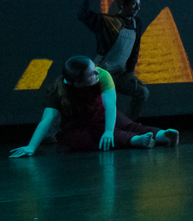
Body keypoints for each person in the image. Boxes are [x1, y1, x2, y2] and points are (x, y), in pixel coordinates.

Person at [9, 57, 177, 156]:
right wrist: (31, 147)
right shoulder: (57, 90)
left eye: (95, 69)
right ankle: (135, 141)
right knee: (92, 137)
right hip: (77, 126)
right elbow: (48, 119)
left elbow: (110, 104)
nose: (97, 72)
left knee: (127, 125)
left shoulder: (103, 75)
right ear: (77, 83)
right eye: (92, 74)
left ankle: (163, 135)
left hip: (103, 114)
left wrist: (109, 130)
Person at [78, 0, 149, 116]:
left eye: (139, 5)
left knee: (142, 92)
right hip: (102, 73)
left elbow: (135, 49)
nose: (137, 8)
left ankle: (130, 126)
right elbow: (83, 15)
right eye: (134, 4)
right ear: (123, 4)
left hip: (119, 73)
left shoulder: (137, 23)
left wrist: (130, 73)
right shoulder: (106, 22)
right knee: (96, 106)